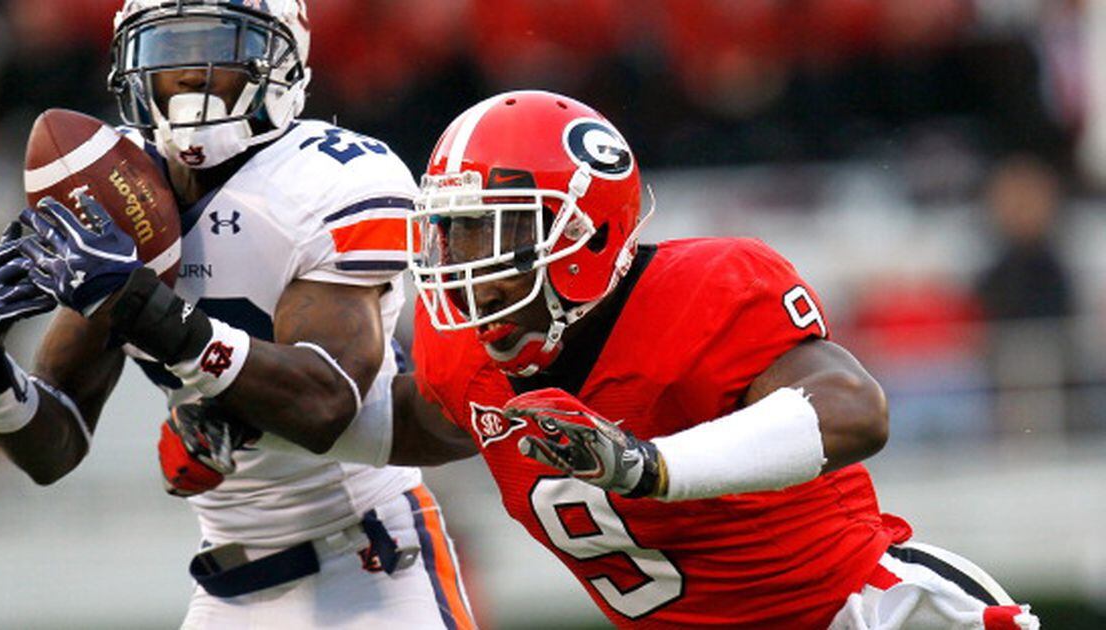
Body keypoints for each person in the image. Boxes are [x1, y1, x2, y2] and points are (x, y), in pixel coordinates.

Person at [343, 91, 1041, 628]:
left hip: (852, 614)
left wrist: (651, 466)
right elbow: (417, 422)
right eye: (455, 232)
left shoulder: (703, 293)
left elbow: (857, 411)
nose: (472, 269)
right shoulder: (460, 355)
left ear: (585, 236)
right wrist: (246, 389)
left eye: (497, 230)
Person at [0, 1, 475, 628]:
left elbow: (327, 402)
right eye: (167, 50)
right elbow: (55, 447)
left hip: (371, 562)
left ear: (282, 59)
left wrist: (147, 310)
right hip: (227, 587)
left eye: (218, 45)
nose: (190, 73)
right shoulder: (120, 184)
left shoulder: (329, 176)